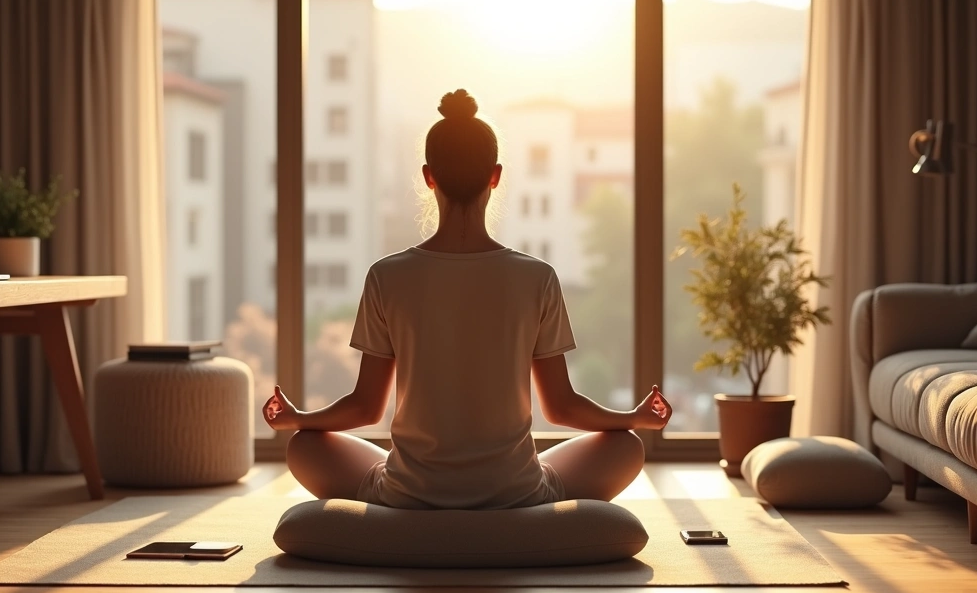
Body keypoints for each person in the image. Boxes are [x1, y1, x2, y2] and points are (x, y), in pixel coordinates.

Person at [263, 89, 672, 510]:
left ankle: (411, 493)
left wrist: (300, 419)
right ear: (495, 176)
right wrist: (632, 419)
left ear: (428, 176)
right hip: (516, 492)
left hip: (411, 493)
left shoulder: (387, 276)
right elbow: (561, 406)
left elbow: (366, 407)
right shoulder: (537, 277)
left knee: (302, 446)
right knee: (626, 447)